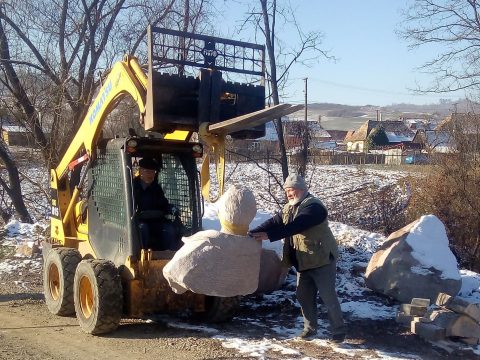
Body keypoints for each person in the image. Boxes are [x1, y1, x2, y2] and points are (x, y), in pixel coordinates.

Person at [248, 174, 346, 342]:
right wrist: (252, 233)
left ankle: (338, 332)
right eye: (286, 191)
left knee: (327, 295)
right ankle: (310, 329)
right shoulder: (289, 208)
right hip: (304, 260)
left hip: (322, 259)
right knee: (303, 295)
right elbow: (275, 222)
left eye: (291, 190)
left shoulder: (314, 208)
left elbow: (296, 226)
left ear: (301, 190)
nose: (288, 194)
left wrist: (268, 236)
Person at [133, 157, 180, 251]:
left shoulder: (156, 188)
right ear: (140, 171)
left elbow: (163, 204)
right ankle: (142, 255)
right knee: (142, 229)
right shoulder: (132, 187)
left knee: (169, 229)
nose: (151, 174)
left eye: (153, 172)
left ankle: (169, 255)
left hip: (157, 221)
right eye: (147, 171)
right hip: (140, 222)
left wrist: (172, 209)